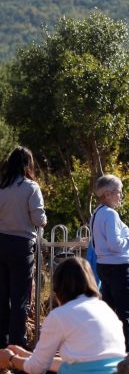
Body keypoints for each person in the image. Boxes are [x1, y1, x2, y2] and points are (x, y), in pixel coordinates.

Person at [0, 257, 126, 373]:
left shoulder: (60, 315)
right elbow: (81, 365)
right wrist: (28, 356)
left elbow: (36, 368)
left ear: (58, 287)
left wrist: (11, 359)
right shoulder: (105, 309)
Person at [0, 146, 46, 350]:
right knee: (20, 296)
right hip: (21, 245)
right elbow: (38, 219)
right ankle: (17, 344)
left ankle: (1, 342)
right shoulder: (31, 187)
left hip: (1, 242)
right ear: (28, 164)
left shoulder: (1, 187)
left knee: (2, 295)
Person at [92, 174, 129, 352]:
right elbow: (115, 244)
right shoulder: (110, 214)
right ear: (109, 194)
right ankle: (128, 353)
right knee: (125, 313)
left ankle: (108, 350)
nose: (121, 196)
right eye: (119, 192)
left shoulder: (97, 213)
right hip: (118, 267)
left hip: (104, 265)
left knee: (110, 312)